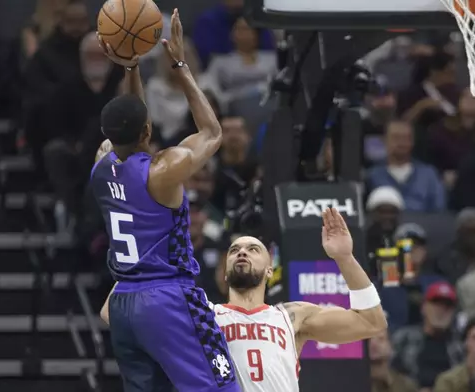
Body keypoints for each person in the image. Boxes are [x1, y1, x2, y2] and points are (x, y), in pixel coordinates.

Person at [91, 10, 240, 392]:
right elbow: (211, 132)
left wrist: (132, 68)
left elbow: (132, 123)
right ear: (147, 129)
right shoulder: (163, 169)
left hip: (123, 302)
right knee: (220, 385)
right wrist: (180, 66)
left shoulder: (101, 162)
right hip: (167, 296)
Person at [101, 208, 388, 391]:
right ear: (223, 272)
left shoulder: (292, 316)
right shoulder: (202, 313)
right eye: (235, 249)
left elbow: (371, 322)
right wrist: (144, 255)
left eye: (253, 249)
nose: (242, 252)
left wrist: (344, 257)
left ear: (269, 270)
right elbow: (113, 313)